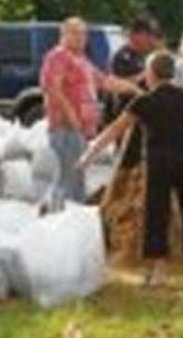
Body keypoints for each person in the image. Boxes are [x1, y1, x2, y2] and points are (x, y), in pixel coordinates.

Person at [78, 50, 183, 290]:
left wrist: (89, 155)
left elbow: (115, 130)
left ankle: (159, 271)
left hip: (158, 162)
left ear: (152, 74)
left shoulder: (144, 101)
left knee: (157, 214)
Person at [40, 17, 140, 210]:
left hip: (81, 128)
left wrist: (135, 89)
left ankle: (56, 210)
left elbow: (105, 82)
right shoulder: (58, 56)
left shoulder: (82, 60)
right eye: (75, 33)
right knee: (72, 176)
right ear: (63, 35)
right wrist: (71, 116)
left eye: (83, 33)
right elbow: (52, 88)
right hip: (66, 127)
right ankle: (65, 218)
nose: (81, 38)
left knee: (72, 175)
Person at [106, 17, 161, 168]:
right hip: (126, 114)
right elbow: (118, 83)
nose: (151, 40)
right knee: (126, 161)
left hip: (145, 117)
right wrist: (144, 75)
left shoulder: (147, 56)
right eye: (148, 35)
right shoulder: (122, 56)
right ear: (137, 35)